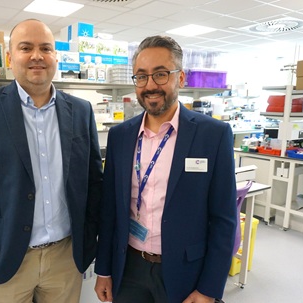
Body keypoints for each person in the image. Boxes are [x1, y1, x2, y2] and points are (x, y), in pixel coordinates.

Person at [0, 19, 103, 303]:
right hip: (5, 257)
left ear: (55, 57)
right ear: (10, 58)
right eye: (25, 48)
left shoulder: (81, 111)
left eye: (46, 48)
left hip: (65, 259)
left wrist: (90, 240)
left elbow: (94, 182)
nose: (37, 56)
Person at [94, 35, 237, 303]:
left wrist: (209, 288)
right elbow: (109, 210)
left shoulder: (213, 135)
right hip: (129, 269)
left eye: (160, 74)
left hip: (186, 272)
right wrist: (103, 269)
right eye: (141, 76)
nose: (150, 85)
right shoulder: (121, 136)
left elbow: (224, 219)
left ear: (180, 78)